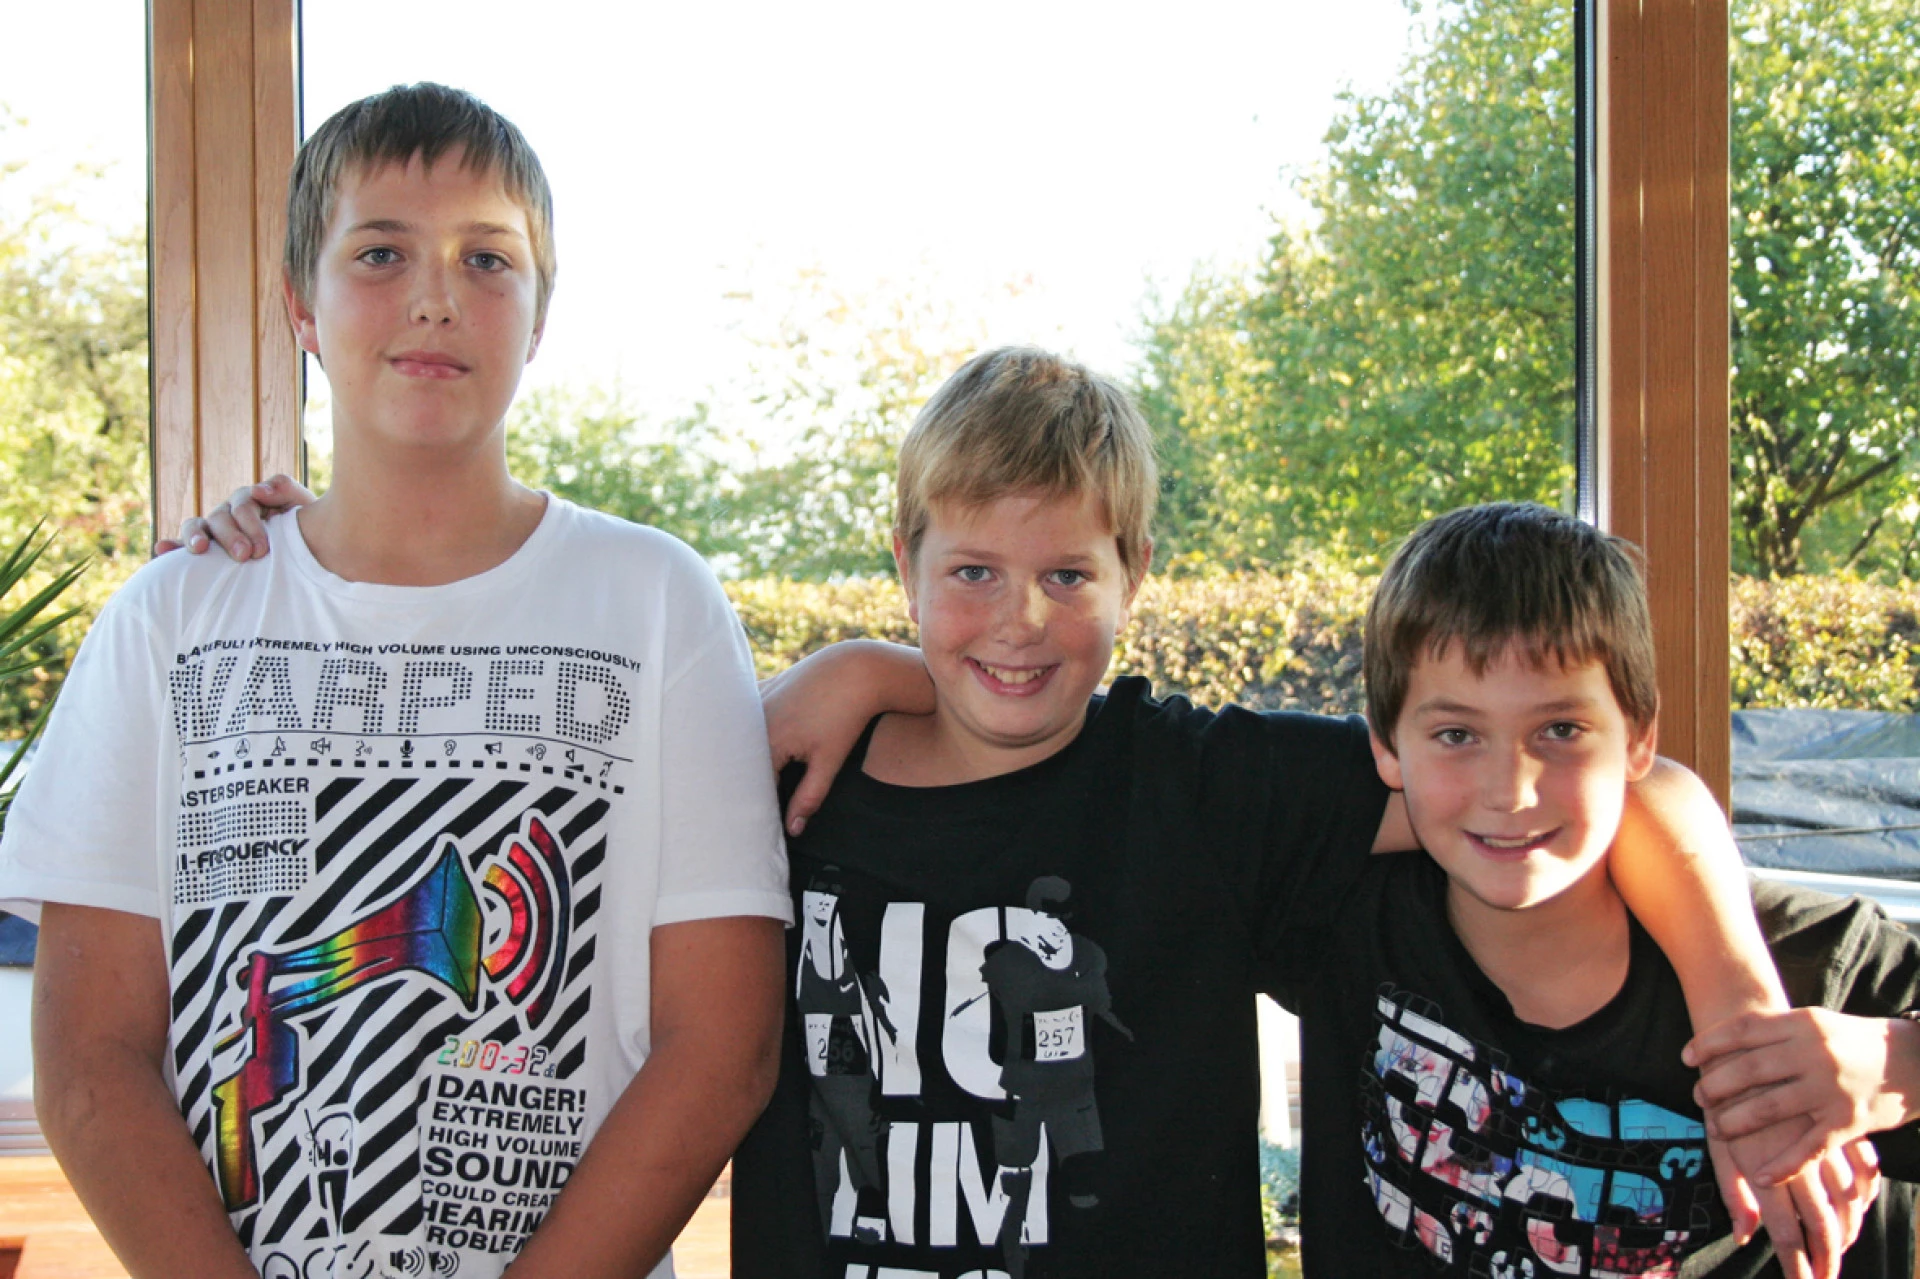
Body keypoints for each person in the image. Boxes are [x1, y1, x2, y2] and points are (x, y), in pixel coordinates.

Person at [181, 349, 1855, 1276]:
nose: (1019, 617)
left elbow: (1590, 791)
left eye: (1072, 570)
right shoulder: (783, 781)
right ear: (903, 563)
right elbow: (517, 808)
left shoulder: (1199, 781)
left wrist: (1737, 1017)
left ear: (1138, 577)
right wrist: (305, 540)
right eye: (968, 570)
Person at [0, 82, 790, 1279]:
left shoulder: (658, 602)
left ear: (540, 314)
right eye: (380, 253)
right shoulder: (169, 619)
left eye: (488, 259)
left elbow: (721, 1044)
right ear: (297, 305)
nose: (435, 296)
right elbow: (88, 1061)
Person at [1277, 500, 1920, 1276]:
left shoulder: (1810, 962)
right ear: (1386, 746)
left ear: (1640, 735)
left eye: (1560, 730)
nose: (1510, 790)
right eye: (1456, 734)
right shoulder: (1339, 920)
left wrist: (1897, 1065)